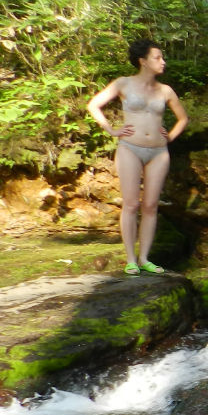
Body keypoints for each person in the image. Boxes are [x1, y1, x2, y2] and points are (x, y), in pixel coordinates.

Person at [87, 38, 189, 276]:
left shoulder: (165, 90)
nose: (162, 62)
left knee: (151, 206)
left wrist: (170, 136)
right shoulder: (123, 83)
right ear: (143, 61)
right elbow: (94, 105)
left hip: (158, 151)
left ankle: (144, 258)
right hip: (130, 147)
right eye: (157, 57)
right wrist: (111, 129)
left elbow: (183, 118)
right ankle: (131, 259)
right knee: (131, 204)